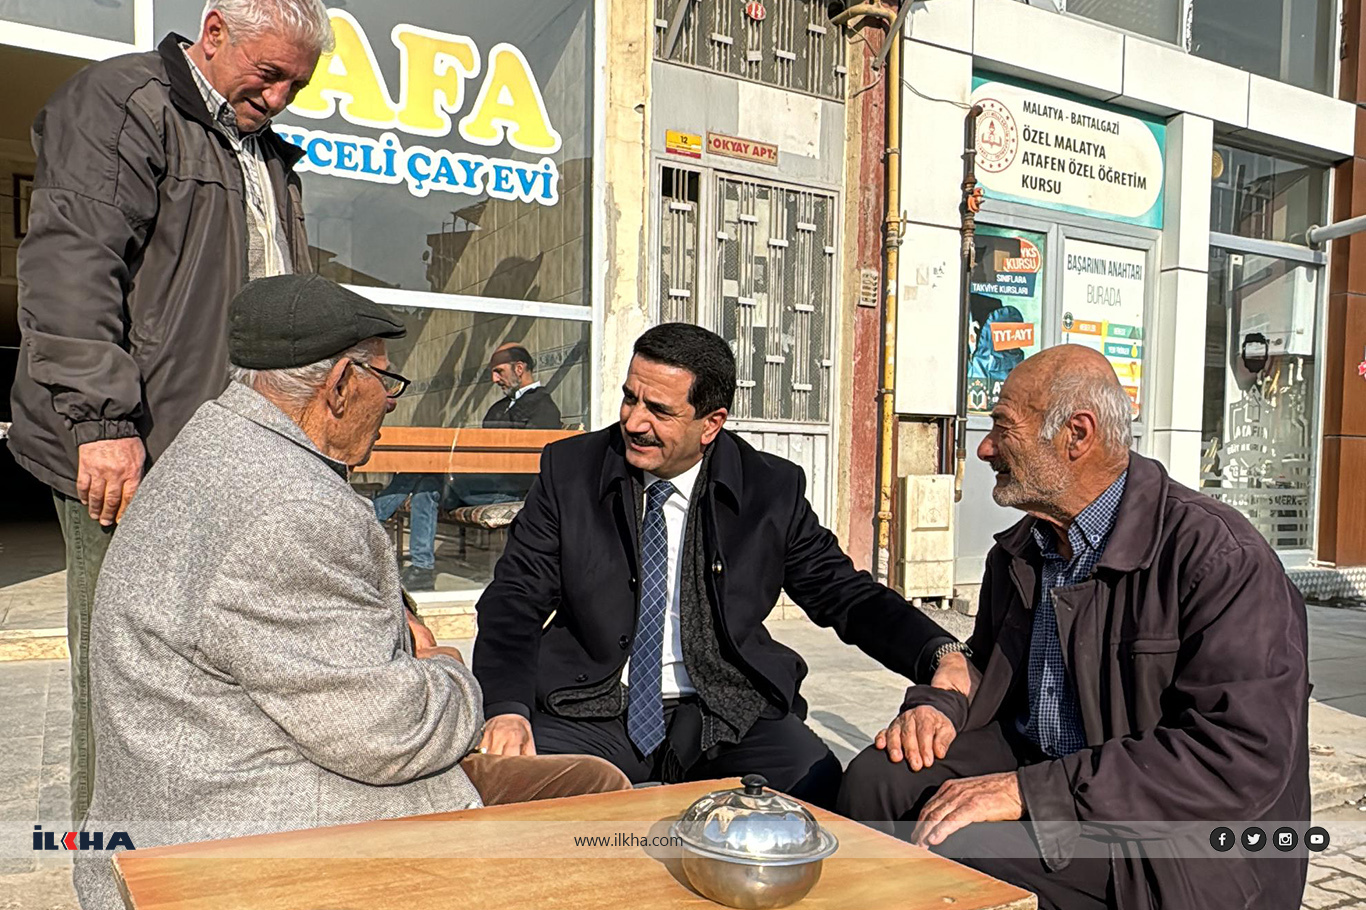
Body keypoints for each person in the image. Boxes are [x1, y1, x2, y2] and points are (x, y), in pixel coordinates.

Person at [75, 275, 627, 910]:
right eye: (386, 382)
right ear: (339, 385)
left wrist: (401, 619)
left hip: (206, 778)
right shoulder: (290, 507)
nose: (391, 401)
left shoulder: (209, 443)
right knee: (592, 811)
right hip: (253, 828)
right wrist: (449, 673)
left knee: (589, 780)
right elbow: (390, 736)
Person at [838, 345, 1310, 910]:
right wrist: (937, 708)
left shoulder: (1218, 558)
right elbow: (989, 671)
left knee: (960, 840)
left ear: (1077, 435)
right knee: (875, 782)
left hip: (1174, 834)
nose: (985, 449)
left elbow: (1240, 754)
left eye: (1003, 428)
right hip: (1051, 771)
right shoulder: (1022, 549)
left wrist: (1030, 793)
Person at [8, 0, 331, 824]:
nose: (281, 97)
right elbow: (71, 270)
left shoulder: (265, 153)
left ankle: (190, 852)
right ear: (214, 32)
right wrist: (102, 423)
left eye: (298, 82)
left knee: (212, 669)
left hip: (232, 453)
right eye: (270, 74)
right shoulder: (123, 103)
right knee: (122, 677)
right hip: (134, 451)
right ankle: (107, 873)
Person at [471, 323, 970, 808]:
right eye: (630, 398)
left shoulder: (770, 490)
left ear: (710, 423)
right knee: (514, 791)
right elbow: (515, 597)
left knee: (812, 788)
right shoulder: (571, 471)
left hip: (724, 707)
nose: (633, 422)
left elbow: (845, 593)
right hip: (592, 702)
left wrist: (937, 651)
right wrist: (506, 709)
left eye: (659, 411)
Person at [374, 343, 562, 590]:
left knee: (425, 471)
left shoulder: (543, 407)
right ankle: (420, 567)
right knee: (425, 480)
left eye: (499, 372)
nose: (495, 379)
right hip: (482, 482)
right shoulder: (498, 408)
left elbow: (532, 460)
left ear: (519, 368)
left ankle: (373, 518)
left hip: (507, 488)